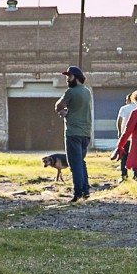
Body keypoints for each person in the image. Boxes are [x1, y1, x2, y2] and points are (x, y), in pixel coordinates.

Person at [54, 65, 93, 201]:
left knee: (74, 164)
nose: (67, 80)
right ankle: (86, 190)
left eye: (68, 77)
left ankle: (78, 193)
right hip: (86, 133)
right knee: (81, 162)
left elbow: (58, 106)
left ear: (75, 77)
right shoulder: (87, 92)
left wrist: (64, 111)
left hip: (73, 133)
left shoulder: (71, 92)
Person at [115, 93, 137, 182]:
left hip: (126, 137)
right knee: (136, 157)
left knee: (124, 156)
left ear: (129, 99)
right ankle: (136, 175)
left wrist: (120, 132)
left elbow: (119, 121)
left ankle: (124, 175)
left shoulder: (124, 108)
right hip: (136, 137)